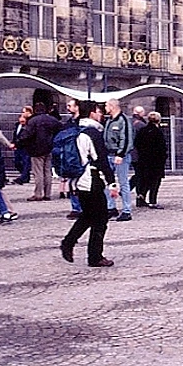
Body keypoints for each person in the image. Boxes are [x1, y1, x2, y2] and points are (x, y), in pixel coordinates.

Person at [60, 101, 117, 268]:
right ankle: (95, 256)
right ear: (92, 113)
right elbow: (101, 161)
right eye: (99, 112)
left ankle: (68, 243)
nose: (102, 115)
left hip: (77, 180)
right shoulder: (93, 133)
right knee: (100, 219)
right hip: (91, 180)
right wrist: (112, 183)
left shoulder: (75, 130)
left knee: (88, 216)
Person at [19, 101, 63, 202]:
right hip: (49, 147)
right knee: (47, 172)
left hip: (36, 149)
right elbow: (60, 128)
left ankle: (38, 194)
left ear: (35, 110)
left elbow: (27, 135)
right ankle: (47, 194)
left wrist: (20, 142)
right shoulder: (52, 120)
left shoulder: (33, 121)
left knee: (38, 172)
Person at [103, 98, 134, 221]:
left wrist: (120, 154)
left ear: (112, 106)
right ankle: (111, 207)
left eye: (106, 105)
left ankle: (127, 210)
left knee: (123, 183)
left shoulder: (123, 120)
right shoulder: (109, 120)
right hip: (109, 154)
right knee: (109, 182)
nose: (105, 108)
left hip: (120, 155)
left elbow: (126, 138)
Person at [134, 111, 168, 208]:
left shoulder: (142, 130)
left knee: (144, 180)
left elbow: (137, 143)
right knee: (155, 181)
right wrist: (164, 157)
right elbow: (162, 147)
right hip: (156, 161)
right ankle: (152, 200)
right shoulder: (158, 132)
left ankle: (141, 197)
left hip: (143, 159)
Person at [60, 97, 82, 218]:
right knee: (72, 182)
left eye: (70, 105)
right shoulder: (69, 122)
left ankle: (80, 207)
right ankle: (76, 207)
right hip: (69, 155)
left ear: (77, 107)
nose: (67, 108)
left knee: (79, 182)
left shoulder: (81, 122)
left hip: (78, 154)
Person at [11, 107, 33, 185]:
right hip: (18, 146)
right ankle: (25, 176)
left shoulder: (29, 124)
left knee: (26, 162)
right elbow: (15, 135)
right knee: (17, 162)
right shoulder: (18, 125)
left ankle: (23, 177)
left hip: (25, 146)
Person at [129, 105, 147, 193]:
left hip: (131, 151)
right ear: (140, 113)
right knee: (140, 174)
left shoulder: (129, 122)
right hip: (138, 153)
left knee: (139, 173)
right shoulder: (140, 124)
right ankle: (138, 193)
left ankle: (129, 188)